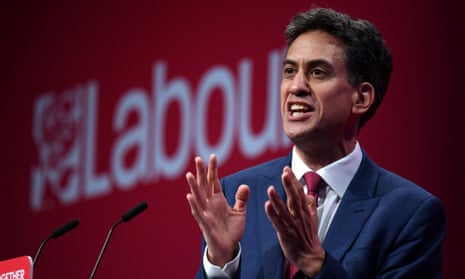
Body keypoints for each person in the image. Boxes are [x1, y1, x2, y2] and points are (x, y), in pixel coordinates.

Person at [185, 7, 446, 279]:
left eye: (318, 72)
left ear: (361, 98)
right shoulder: (239, 194)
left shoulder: (409, 213)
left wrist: (316, 263)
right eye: (289, 71)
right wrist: (221, 262)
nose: (296, 86)